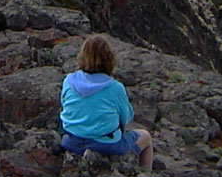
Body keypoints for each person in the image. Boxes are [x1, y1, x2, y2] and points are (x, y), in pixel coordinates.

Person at [59, 35, 154, 170]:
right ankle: (146, 176)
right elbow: (126, 118)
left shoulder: (68, 81)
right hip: (106, 145)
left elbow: (65, 105)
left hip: (71, 141)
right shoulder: (115, 87)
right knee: (146, 137)